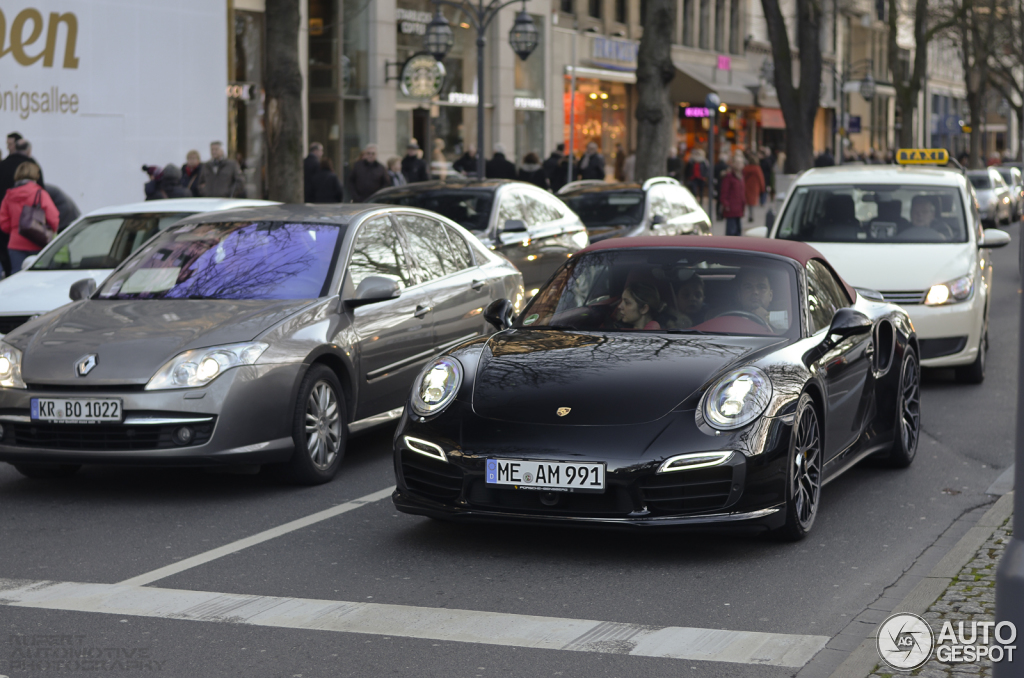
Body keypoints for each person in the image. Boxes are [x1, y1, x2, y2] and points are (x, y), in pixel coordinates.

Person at [0, 161, 58, 273]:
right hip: (38, 242)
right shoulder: (40, 193)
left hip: (15, 244)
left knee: (17, 277)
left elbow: (3, 223)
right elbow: (53, 218)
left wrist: (15, 230)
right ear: (34, 175)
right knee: (39, 277)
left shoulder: (9, 195)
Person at [719, 156, 746, 236]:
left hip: (739, 208)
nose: (739, 165)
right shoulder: (729, 177)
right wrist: (726, 205)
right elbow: (724, 193)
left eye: (741, 163)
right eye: (737, 163)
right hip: (731, 209)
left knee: (738, 232)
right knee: (731, 233)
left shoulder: (741, 176)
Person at [743, 151, 766, 223]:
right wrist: (763, 188)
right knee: (752, 201)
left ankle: (750, 214)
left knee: (749, 201)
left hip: (747, 186)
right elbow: (761, 178)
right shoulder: (757, 168)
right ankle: (751, 215)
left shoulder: (746, 168)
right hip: (755, 187)